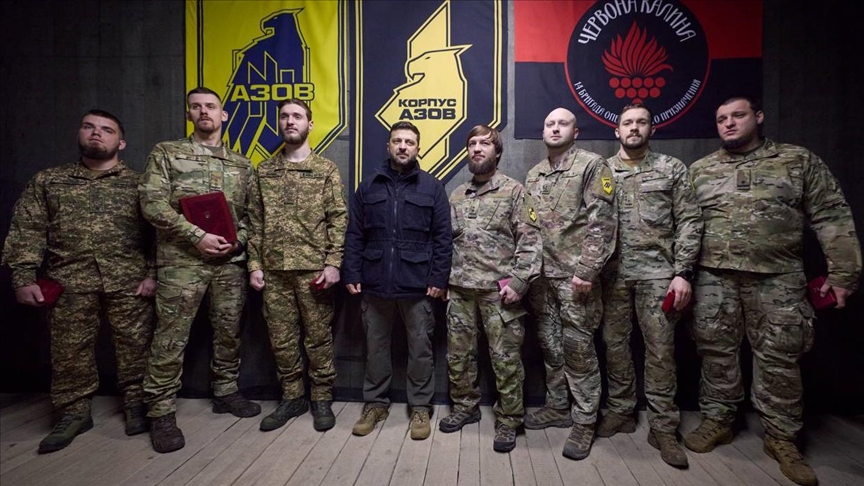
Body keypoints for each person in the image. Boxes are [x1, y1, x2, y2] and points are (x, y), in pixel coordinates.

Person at [686, 95, 861, 486]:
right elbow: (685, 224)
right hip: (714, 277)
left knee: (780, 358)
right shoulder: (701, 170)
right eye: (722, 119)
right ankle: (718, 419)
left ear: (759, 117)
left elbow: (831, 213)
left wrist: (844, 273)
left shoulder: (796, 161)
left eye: (738, 115)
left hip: (778, 278)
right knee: (715, 352)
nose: (729, 123)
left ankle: (782, 437)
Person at [3, 110, 156, 453]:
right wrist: (23, 276)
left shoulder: (140, 183)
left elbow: (157, 235)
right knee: (69, 351)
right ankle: (73, 411)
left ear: (121, 142)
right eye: (89, 127)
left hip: (128, 279)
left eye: (107, 130)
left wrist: (152, 274)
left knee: (136, 346)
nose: (96, 134)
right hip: (69, 280)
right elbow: (27, 229)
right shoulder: (50, 181)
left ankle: (137, 404)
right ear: (79, 134)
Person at [139, 87, 260, 454]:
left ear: (224, 115)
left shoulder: (242, 164)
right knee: (171, 336)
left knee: (229, 332)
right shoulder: (167, 153)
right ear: (189, 114)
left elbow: (251, 217)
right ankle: (160, 411)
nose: (204, 111)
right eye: (196, 107)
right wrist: (196, 236)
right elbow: (151, 204)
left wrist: (237, 243)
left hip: (228, 264)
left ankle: (225, 391)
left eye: (211, 106)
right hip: (182, 263)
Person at [598, 104, 702, 468]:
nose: (634, 128)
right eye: (627, 123)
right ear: (617, 131)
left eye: (641, 122)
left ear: (651, 129)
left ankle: (663, 426)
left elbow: (689, 220)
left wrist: (683, 271)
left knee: (660, 350)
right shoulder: (602, 170)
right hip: (611, 276)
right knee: (614, 346)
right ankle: (621, 410)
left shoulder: (671, 168)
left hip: (658, 274)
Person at [342, 121, 452, 441]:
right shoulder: (368, 187)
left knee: (420, 349)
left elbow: (443, 238)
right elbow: (354, 233)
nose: (403, 146)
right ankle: (375, 404)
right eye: (397, 141)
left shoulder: (432, 187)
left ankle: (420, 407)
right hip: (375, 281)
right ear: (388, 146)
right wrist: (351, 271)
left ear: (418, 148)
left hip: (418, 284)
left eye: (409, 142)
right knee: (376, 348)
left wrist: (438, 277)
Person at [438, 125, 542, 452]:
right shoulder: (457, 194)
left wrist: (520, 282)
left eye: (485, 143)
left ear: (497, 152)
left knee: (506, 360)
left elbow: (531, 242)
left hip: (500, 293)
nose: (478, 148)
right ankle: (465, 408)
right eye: (472, 144)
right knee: (459, 357)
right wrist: (445, 281)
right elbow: (446, 244)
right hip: (460, 291)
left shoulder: (514, 191)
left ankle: (509, 420)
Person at [523, 107, 618, 460]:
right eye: (549, 123)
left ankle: (585, 420)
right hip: (542, 278)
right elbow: (530, 226)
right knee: (550, 346)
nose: (555, 128)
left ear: (575, 132)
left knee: (578, 350)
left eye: (562, 123)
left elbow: (602, 222)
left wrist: (587, 270)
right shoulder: (535, 174)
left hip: (576, 279)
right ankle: (558, 406)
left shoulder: (592, 165)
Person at [247, 99, 347, 432]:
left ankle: (321, 397)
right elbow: (255, 221)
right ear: (279, 123)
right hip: (274, 272)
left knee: (318, 339)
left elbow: (338, 219)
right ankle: (292, 397)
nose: (290, 121)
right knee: (282, 340)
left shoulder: (325, 170)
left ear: (309, 124)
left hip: (313, 271)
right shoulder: (264, 170)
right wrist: (254, 264)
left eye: (297, 116)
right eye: (285, 116)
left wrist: (333, 263)